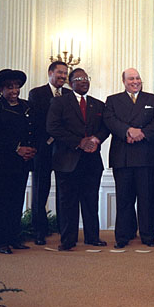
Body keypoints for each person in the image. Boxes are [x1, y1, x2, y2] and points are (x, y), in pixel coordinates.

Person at [46, 68, 110, 250]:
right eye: (79, 78)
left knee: (91, 201)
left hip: (92, 161)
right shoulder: (59, 102)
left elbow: (105, 127)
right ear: (70, 82)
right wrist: (78, 142)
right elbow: (53, 127)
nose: (84, 81)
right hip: (67, 160)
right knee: (68, 202)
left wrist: (96, 139)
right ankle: (68, 240)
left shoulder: (98, 105)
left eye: (86, 78)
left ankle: (92, 237)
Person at [104, 68, 154, 249]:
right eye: (131, 79)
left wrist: (142, 133)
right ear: (124, 81)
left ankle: (147, 235)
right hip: (123, 156)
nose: (135, 81)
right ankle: (123, 235)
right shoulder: (112, 100)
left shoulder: (153, 99)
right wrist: (127, 131)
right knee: (124, 199)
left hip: (145, 155)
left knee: (147, 198)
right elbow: (109, 120)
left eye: (138, 78)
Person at [0, 69, 37, 254]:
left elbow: (33, 130)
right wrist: (17, 148)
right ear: (1, 89)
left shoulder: (27, 106)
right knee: (3, 203)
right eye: (10, 87)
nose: (14, 90)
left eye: (16, 86)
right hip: (2, 162)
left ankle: (15, 238)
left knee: (17, 201)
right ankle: (2, 242)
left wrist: (31, 149)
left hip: (22, 162)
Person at [28, 61, 71, 245]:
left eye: (65, 74)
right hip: (42, 149)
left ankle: (64, 229)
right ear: (50, 72)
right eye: (60, 73)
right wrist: (50, 137)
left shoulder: (70, 94)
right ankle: (39, 231)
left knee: (65, 192)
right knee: (40, 191)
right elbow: (36, 122)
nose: (63, 76)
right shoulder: (36, 93)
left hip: (64, 150)